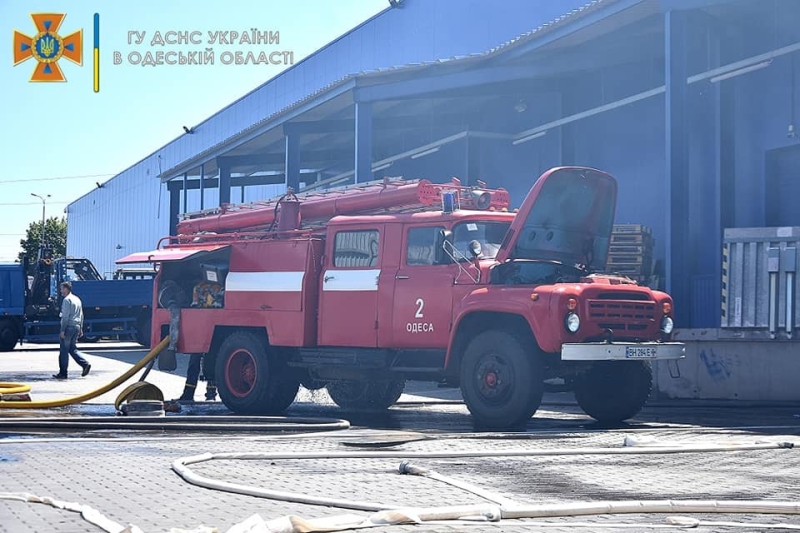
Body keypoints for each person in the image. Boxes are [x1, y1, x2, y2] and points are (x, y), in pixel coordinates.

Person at [52, 281, 91, 379]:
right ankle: (85, 364)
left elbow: (65, 317)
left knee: (64, 351)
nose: (60, 291)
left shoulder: (67, 300)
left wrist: (62, 330)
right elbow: (81, 314)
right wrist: (81, 327)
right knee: (72, 349)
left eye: (61, 288)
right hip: (76, 326)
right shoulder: (77, 299)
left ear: (66, 289)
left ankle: (63, 373)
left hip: (69, 327)